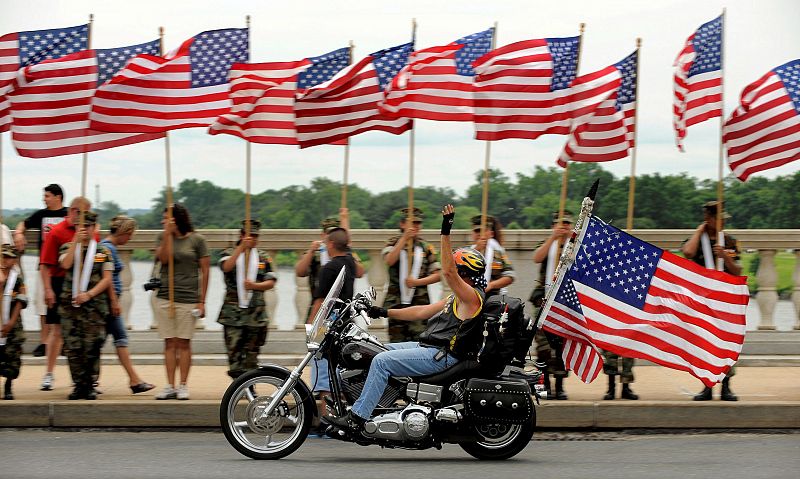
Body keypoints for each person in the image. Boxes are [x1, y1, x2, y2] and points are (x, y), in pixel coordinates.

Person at [327, 204, 485, 431]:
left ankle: (358, 418)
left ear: (465, 273)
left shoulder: (472, 298)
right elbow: (422, 311)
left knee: (381, 362)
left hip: (442, 355)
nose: (454, 273)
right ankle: (374, 404)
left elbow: (447, 272)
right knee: (377, 350)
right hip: (431, 347)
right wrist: (381, 311)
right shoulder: (457, 299)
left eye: (458, 269)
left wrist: (445, 230)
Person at [681, 200, 741, 402]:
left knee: (726, 343)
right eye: (718, 218)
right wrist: (700, 230)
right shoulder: (699, 240)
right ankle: (706, 386)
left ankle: (726, 386)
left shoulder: (729, 241)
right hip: (703, 299)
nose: (722, 222)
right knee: (704, 343)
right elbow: (688, 252)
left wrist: (725, 256)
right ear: (709, 219)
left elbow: (737, 271)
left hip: (724, 300)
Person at [38, 196, 97, 391]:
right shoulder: (57, 232)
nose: (84, 217)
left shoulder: (92, 233)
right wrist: (47, 289)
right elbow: (45, 264)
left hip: (83, 284)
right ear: (73, 211)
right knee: (56, 330)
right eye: (81, 212)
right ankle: (49, 373)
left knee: (83, 333)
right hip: (59, 282)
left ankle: (83, 377)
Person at [153, 204, 210, 400]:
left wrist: (202, 301)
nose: (162, 221)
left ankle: (183, 385)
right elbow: (162, 259)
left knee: (183, 343)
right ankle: (170, 385)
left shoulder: (197, 240)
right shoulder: (163, 237)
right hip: (164, 297)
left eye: (166, 218)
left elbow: (206, 270)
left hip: (188, 299)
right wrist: (168, 235)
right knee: (169, 342)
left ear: (176, 218)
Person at [58, 211, 112, 400]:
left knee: (92, 346)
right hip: (70, 307)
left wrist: (88, 295)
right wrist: (75, 241)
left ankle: (90, 384)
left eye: (88, 227)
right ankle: (78, 384)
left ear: (94, 228)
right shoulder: (67, 247)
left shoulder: (102, 252)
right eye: (81, 227)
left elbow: (106, 279)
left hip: (94, 307)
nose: (85, 230)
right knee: (73, 347)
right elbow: (65, 264)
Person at [99, 215, 155, 394]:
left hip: (110, 300)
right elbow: (107, 279)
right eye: (130, 235)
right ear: (123, 232)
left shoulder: (107, 248)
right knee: (118, 339)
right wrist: (114, 301)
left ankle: (131, 380)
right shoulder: (108, 250)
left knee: (107, 341)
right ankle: (134, 381)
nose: (130, 239)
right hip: (110, 301)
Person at [217, 219, 277, 379]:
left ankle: (249, 385)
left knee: (252, 355)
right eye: (250, 235)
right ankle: (237, 386)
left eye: (256, 236)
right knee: (234, 355)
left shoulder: (263, 257)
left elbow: (271, 281)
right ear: (242, 235)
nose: (253, 239)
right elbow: (226, 267)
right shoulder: (229, 253)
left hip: (255, 315)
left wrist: (254, 286)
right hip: (233, 315)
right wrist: (241, 248)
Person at [13, 184, 67, 359]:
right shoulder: (42, 215)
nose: (44, 199)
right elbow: (24, 223)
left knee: (65, 305)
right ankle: (45, 342)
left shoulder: (68, 214)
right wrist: (19, 233)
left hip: (65, 268)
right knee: (43, 306)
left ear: (58, 197)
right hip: (45, 266)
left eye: (47, 196)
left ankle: (63, 342)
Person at [530, 211, 574, 400]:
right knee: (543, 348)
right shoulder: (548, 244)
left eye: (566, 223)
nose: (563, 226)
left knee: (562, 347)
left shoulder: (574, 247)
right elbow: (537, 258)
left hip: (564, 302)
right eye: (559, 223)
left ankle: (560, 385)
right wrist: (553, 238)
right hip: (543, 301)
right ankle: (544, 384)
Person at [382, 207, 441, 343]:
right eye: (412, 222)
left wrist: (416, 282)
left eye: (418, 223)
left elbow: (438, 275)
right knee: (396, 342)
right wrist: (404, 239)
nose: (415, 226)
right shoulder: (392, 243)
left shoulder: (426, 247)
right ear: (402, 224)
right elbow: (389, 260)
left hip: (420, 303)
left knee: (419, 341)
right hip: (396, 302)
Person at [294, 209, 364, 322]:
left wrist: (347, 249)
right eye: (328, 233)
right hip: (318, 305)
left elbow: (360, 273)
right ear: (323, 235)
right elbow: (300, 272)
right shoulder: (315, 253)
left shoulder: (345, 254)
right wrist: (311, 251)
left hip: (341, 308)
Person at [0, 244, 28, 400]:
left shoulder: (17, 279)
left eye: (9, 257)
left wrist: (11, 322)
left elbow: (21, 300)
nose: (6, 260)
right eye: (4, 256)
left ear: (15, 260)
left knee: (13, 355)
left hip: (12, 323)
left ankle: (8, 384)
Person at [470, 214, 514, 300]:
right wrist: (476, 250)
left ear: (491, 233)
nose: (480, 234)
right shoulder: (464, 253)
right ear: (472, 234)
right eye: (477, 231)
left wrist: (491, 285)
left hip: (493, 300)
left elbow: (510, 276)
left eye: (483, 230)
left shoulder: (498, 253)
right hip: (471, 299)